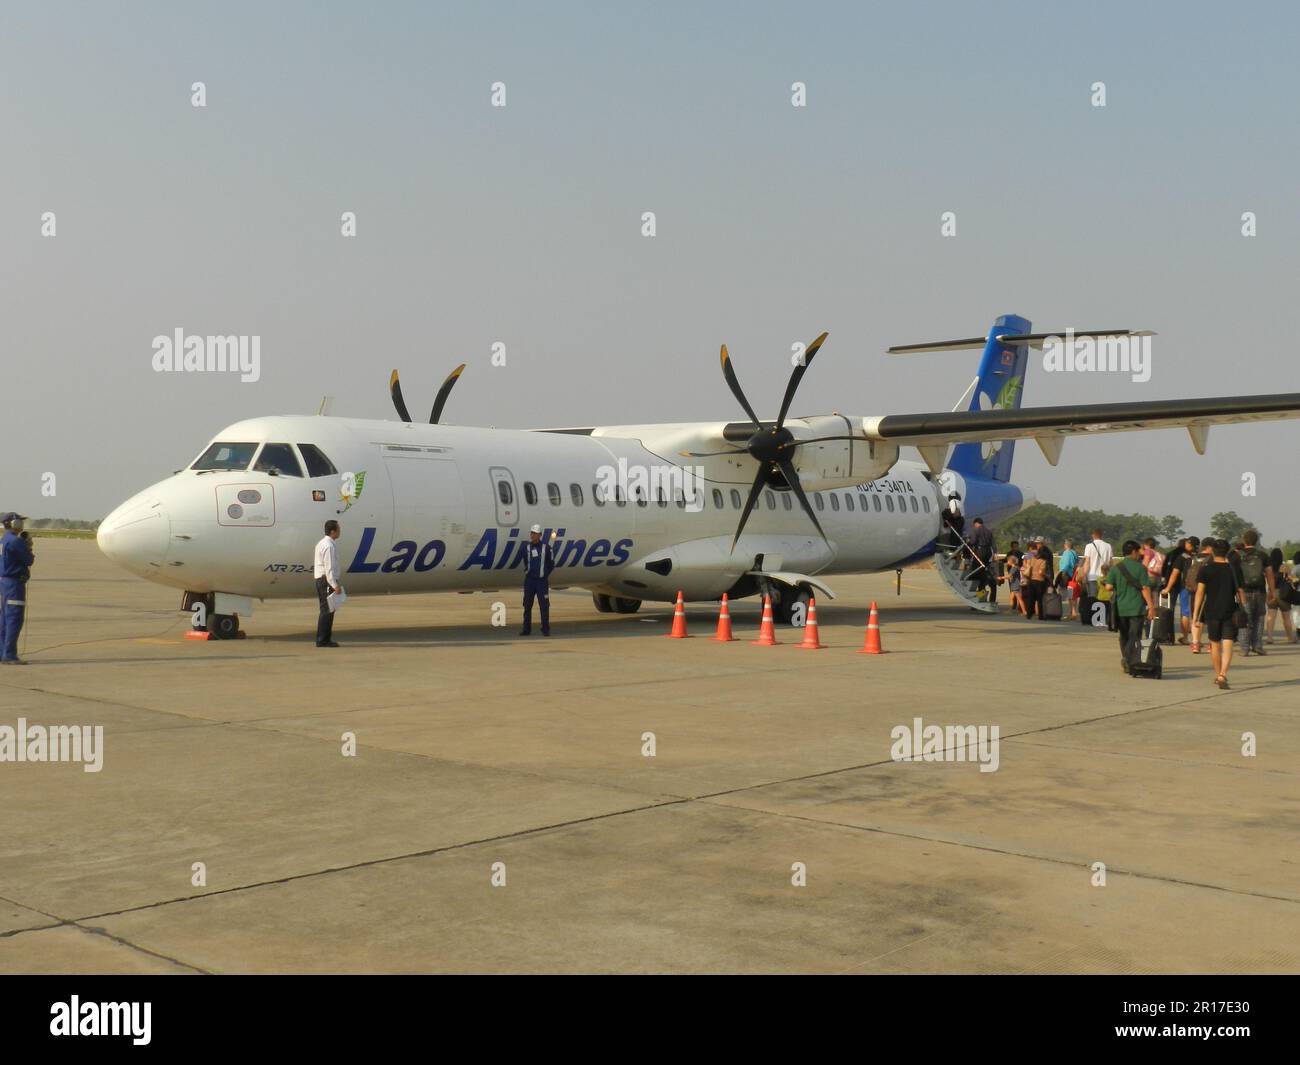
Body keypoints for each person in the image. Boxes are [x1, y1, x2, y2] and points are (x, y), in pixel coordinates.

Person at [1194, 539, 1247, 689]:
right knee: (1228, 643)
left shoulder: (1205, 569)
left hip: (1211, 611)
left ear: (1212, 551)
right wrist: (1245, 606)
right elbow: (1241, 591)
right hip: (1230, 610)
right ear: (1227, 551)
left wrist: (1196, 615)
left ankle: (1218, 674)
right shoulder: (1233, 568)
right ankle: (1223, 674)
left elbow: (1200, 593)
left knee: (1215, 644)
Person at [1103, 539, 1157, 673]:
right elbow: (1145, 588)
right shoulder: (1140, 568)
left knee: (1124, 635)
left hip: (1121, 608)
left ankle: (1126, 658)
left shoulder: (1116, 567)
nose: (1140, 554)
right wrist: (1151, 607)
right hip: (1136, 608)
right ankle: (1129, 659)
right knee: (1135, 636)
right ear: (1133, 552)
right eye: (1138, 551)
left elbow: (1109, 587)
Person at [0, 513, 35, 665]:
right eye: (20, 521)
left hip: (5, 582)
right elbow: (29, 560)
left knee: (4, 619)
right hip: (14, 584)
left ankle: (2, 652)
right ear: (14, 523)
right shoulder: (16, 541)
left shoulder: (4, 539)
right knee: (14, 619)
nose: (22, 524)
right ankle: (9, 655)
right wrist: (28, 546)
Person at [1235, 529, 1274, 656]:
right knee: (1259, 618)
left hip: (1243, 592)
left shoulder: (1238, 555)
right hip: (1260, 591)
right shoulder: (1262, 555)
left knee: (1245, 618)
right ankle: (1257, 646)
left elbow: (1234, 575)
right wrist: (1271, 591)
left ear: (1244, 541)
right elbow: (1269, 574)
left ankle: (1244, 648)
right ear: (1256, 541)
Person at [1162, 536, 1198, 646]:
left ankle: (1186, 637)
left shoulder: (1182, 557)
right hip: (1196, 587)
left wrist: (1168, 587)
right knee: (1193, 612)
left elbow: (1175, 573)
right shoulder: (1198, 557)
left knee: (1185, 613)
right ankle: (1194, 639)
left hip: (1184, 586)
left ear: (1189, 544)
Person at [520, 524, 555, 637]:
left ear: (540, 535)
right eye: (532, 533)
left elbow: (551, 564)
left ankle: (545, 629)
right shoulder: (526, 548)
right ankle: (526, 629)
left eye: (535, 533)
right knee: (527, 605)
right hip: (530, 581)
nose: (533, 535)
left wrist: (544, 574)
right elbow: (526, 561)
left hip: (541, 582)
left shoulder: (546, 548)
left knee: (544, 606)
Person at [313, 519, 343, 647]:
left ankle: (323, 638)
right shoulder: (329, 546)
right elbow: (329, 568)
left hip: (322, 580)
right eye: (338, 529)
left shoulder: (322, 543)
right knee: (327, 610)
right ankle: (323, 639)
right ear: (333, 531)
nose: (339, 531)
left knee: (326, 609)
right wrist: (334, 585)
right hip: (326, 581)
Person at [1266, 561, 1298, 645]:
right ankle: (1290, 638)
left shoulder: (1269, 568)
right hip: (1284, 594)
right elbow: (1293, 579)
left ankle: (1269, 638)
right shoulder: (1285, 567)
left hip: (1271, 593)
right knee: (1286, 617)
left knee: (1271, 617)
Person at [1081, 529, 1113, 604]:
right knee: (1104, 599)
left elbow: (1087, 562)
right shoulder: (1108, 546)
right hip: (1104, 577)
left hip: (1092, 576)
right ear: (1101, 535)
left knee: (1093, 599)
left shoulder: (1089, 546)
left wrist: (1084, 575)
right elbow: (1111, 562)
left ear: (1093, 535)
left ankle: (1093, 615)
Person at [966, 517, 994, 599]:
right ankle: (982, 595)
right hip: (988, 552)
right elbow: (993, 544)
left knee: (975, 571)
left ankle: (977, 596)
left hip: (980, 552)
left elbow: (973, 541)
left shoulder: (976, 530)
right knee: (982, 573)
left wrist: (968, 541)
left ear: (976, 523)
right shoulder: (989, 531)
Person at [1021, 539, 1049, 619]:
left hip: (1031, 580)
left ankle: (1029, 614)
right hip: (1040, 581)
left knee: (1030, 599)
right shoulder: (1043, 560)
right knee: (1040, 599)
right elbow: (1041, 572)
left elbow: (1023, 558)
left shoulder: (1030, 556)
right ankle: (1040, 615)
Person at [1003, 540, 1024, 616]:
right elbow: (1005, 560)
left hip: (1017, 575)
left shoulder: (1021, 554)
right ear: (1011, 547)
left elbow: (1025, 560)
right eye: (1014, 546)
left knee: (1018, 593)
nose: (1016, 548)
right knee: (1012, 591)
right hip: (1011, 574)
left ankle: (1021, 609)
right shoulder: (1009, 554)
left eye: (1017, 546)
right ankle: (1013, 607)